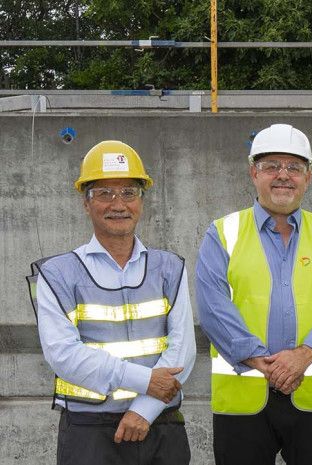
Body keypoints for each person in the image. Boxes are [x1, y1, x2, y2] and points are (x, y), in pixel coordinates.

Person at [196, 123, 312, 465]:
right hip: (243, 400)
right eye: (271, 166)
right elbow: (213, 307)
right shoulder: (222, 233)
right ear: (253, 172)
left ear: (308, 177)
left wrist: (302, 356)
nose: (283, 176)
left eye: (294, 167)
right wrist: (262, 361)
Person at [27, 140, 195, 465]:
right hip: (89, 431)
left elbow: (183, 351)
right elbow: (63, 354)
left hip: (161, 423)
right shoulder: (57, 274)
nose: (118, 204)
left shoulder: (170, 268)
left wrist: (144, 410)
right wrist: (145, 381)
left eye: (129, 193)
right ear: (85, 202)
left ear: (142, 201)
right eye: (104, 194)